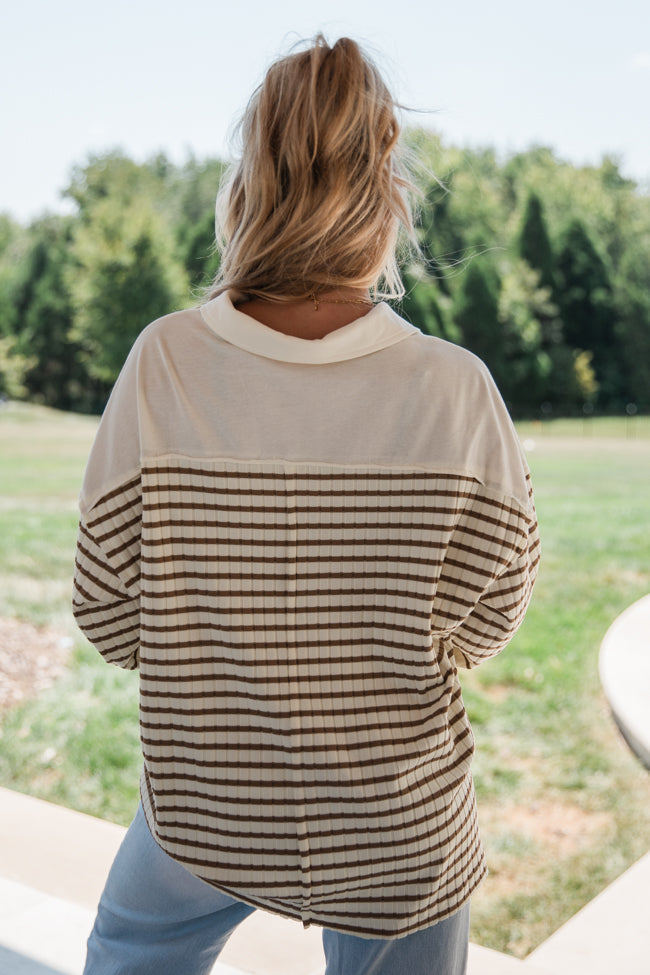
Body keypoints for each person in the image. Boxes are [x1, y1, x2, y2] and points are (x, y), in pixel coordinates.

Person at [73, 34, 540, 975]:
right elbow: (489, 615)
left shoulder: (164, 362)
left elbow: (108, 609)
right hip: (399, 825)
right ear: (390, 193)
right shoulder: (456, 387)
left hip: (205, 805)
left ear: (247, 188)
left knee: (129, 948)